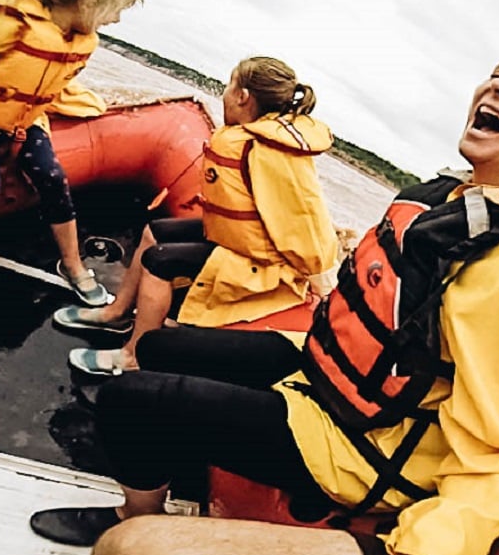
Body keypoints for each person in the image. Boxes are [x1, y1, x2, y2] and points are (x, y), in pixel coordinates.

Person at [30, 42, 499, 555]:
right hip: (322, 371)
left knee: (130, 399)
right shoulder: (453, 202)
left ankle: (137, 515)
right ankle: (189, 476)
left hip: (359, 441)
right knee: (161, 348)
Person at [54, 56, 340, 375]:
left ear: (243, 96)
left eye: (229, 85)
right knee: (154, 232)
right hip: (235, 243)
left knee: (159, 262)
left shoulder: (271, 152)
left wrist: (323, 283)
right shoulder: (250, 139)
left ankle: (134, 355)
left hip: (261, 263)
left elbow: (305, 220)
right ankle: (116, 313)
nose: (225, 93)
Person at [0, 0, 141, 338]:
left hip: (19, 123)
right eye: (114, 10)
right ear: (88, 2)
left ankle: (72, 265)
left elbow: (53, 86)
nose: (115, 20)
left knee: (52, 176)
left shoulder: (83, 39)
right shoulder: (7, 24)